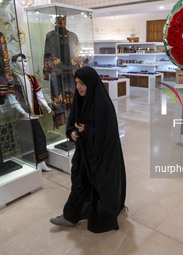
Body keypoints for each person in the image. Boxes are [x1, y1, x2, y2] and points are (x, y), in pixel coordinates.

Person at [50, 66, 127, 233]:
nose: (78, 87)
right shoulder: (79, 99)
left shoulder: (103, 105)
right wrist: (72, 133)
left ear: (91, 83)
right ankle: (70, 216)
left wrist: (88, 131)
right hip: (84, 152)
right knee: (79, 182)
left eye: (82, 83)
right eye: (77, 83)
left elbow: (109, 133)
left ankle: (113, 207)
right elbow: (72, 124)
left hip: (102, 155)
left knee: (102, 185)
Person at [9, 53, 52, 172]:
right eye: (19, 61)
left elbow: (39, 94)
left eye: (25, 61)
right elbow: (12, 100)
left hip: (33, 115)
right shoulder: (12, 79)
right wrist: (22, 112)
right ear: (13, 64)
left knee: (40, 137)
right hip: (22, 116)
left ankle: (42, 162)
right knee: (27, 141)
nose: (24, 64)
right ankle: (31, 164)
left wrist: (46, 106)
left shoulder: (31, 78)